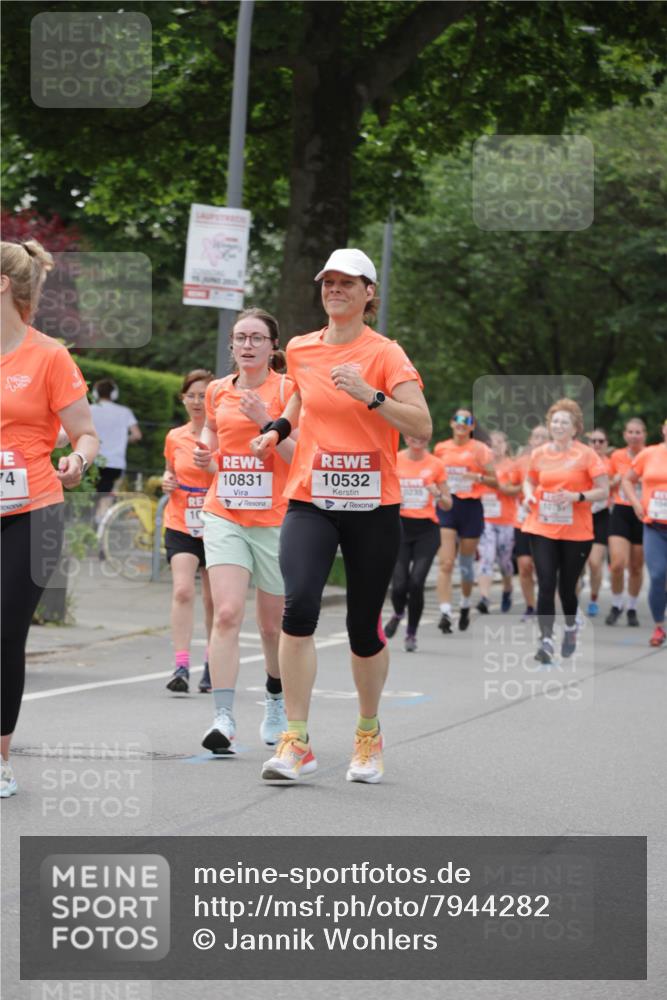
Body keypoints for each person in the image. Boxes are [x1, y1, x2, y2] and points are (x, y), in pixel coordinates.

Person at [251, 248, 431, 783]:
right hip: (311, 499)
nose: (335, 290)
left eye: (347, 283)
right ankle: (296, 740)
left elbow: (421, 425)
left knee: (362, 628)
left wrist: (371, 395)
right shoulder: (301, 348)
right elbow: (300, 400)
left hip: (373, 506)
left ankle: (368, 734)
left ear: (368, 292)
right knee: (299, 607)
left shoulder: (386, 354)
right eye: (328, 282)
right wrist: (277, 430)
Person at [1, 239, 98, 798]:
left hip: (32, 510)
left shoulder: (48, 356)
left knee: (4, 632)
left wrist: (78, 460)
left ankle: (0, 759)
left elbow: (84, 432)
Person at [193, 309, 297, 753]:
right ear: (231, 345)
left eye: (257, 338)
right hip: (225, 511)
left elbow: (300, 457)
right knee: (227, 612)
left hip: (275, 518)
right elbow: (211, 437)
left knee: (272, 627)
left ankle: (275, 701)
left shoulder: (289, 390)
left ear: (273, 347)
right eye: (241, 338)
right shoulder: (218, 390)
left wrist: (266, 422)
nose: (248, 345)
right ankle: (223, 717)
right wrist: (206, 455)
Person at [522, 399, 609, 664]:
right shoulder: (539, 453)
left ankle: (571, 627)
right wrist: (529, 496)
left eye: (564, 422)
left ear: (575, 428)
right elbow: (529, 480)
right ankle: (546, 640)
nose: (558, 425)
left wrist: (577, 496)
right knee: (546, 583)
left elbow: (603, 490)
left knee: (567, 588)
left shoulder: (587, 455)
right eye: (555, 421)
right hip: (542, 526)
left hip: (576, 532)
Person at [162, 370, 216, 695]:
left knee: (214, 599)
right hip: (181, 521)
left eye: (203, 396)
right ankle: (181, 666)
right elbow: (170, 470)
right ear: (183, 399)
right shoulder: (175, 436)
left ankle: (212, 662)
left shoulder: (223, 434)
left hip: (217, 522)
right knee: (183, 591)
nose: (197, 402)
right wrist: (167, 481)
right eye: (191, 395)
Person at [384, 435, 451, 651]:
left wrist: (438, 494)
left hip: (427, 531)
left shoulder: (436, 464)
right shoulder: (395, 459)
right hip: (400, 528)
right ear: (406, 437)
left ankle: (411, 633)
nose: (417, 439)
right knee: (399, 584)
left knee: (416, 583)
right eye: (413, 434)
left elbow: (448, 503)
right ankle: (398, 613)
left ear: (427, 438)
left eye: (422, 435)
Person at [433, 409, 495, 632]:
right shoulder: (441, 448)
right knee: (446, 562)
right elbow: (434, 475)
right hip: (448, 506)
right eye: (457, 419)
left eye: (466, 420)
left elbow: (495, 481)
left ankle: (465, 604)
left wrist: (477, 477)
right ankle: (445, 612)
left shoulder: (481, 450)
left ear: (472, 426)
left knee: (466, 565)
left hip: (471, 507)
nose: (461, 423)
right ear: (451, 423)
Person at [622, 419, 667, 648]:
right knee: (658, 575)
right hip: (654, 526)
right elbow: (627, 480)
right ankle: (659, 625)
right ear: (664, 429)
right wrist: (636, 503)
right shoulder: (649, 454)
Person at [500, 425, 549, 621]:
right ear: (530, 440)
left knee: (544, 567)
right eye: (536, 437)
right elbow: (509, 488)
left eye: (544, 437)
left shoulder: (556, 462)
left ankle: (546, 605)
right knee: (524, 564)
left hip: (547, 521)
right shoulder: (520, 462)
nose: (540, 441)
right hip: (523, 519)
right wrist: (522, 487)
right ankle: (530, 606)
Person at [606, 418, 647, 626]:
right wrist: (614, 481)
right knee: (617, 564)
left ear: (644, 435)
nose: (634, 436)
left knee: (636, 566)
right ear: (624, 435)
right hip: (621, 510)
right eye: (630, 432)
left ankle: (631, 607)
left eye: (638, 432)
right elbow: (606, 483)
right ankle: (616, 604)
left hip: (643, 512)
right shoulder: (617, 456)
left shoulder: (650, 455)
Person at [477, 430, 517, 614]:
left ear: (506, 445)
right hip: (485, 519)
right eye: (491, 444)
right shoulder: (481, 466)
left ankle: (507, 588)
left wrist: (499, 486)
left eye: (499, 442)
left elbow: (516, 490)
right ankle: (484, 597)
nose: (495, 447)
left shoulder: (512, 466)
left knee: (504, 561)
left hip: (506, 520)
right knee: (486, 556)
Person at [91, 378, 142, 519]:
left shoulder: (89, 410)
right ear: (114, 394)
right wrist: (123, 439)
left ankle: (89, 522)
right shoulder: (125, 412)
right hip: (115, 462)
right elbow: (137, 435)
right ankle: (101, 522)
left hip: (92, 460)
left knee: (91, 493)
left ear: (95, 393)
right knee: (106, 495)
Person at [583, 428, 613, 617]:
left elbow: (619, 481)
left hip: (601, 515)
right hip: (581, 514)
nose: (597, 444)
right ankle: (572, 604)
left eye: (601, 441)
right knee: (577, 565)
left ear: (606, 444)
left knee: (595, 563)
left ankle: (593, 598)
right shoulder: (581, 462)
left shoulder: (610, 463)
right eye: (593, 441)